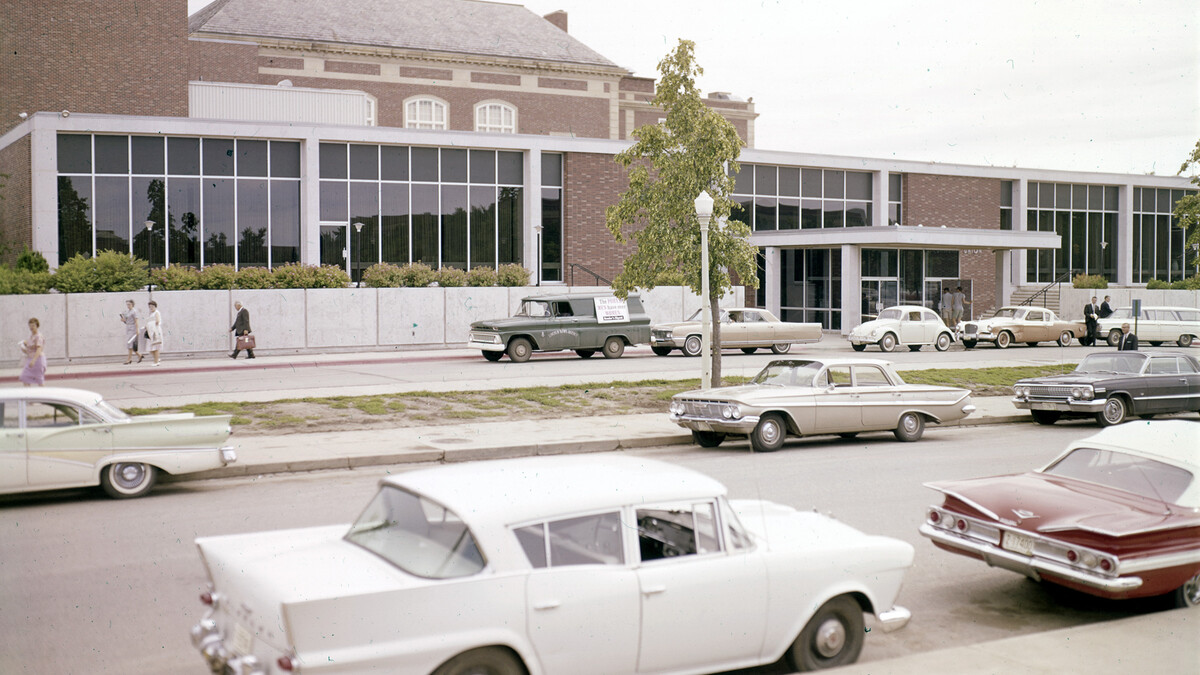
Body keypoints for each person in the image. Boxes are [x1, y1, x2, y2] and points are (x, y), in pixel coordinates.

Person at [18, 317, 46, 386]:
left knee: (39, 380)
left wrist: (34, 360)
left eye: (33, 325)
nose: (31, 327)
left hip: (38, 360)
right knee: (25, 378)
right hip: (30, 360)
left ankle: (45, 395)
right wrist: (23, 347)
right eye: (30, 326)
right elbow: (29, 350)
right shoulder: (31, 336)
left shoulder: (39, 336)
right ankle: (28, 395)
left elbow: (39, 349)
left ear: (37, 326)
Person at [119, 299, 141, 365]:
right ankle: (139, 355)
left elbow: (136, 320)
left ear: (132, 304)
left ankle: (129, 359)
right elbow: (127, 321)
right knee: (130, 344)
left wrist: (137, 329)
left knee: (130, 343)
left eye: (129, 304)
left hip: (133, 328)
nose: (128, 306)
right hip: (128, 327)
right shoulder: (128, 311)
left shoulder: (134, 311)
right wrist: (123, 320)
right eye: (127, 304)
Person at [145, 300, 163, 366]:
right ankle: (157, 358)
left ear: (155, 306)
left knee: (156, 347)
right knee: (151, 348)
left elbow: (157, 321)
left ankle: (156, 362)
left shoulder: (156, 312)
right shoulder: (151, 314)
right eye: (150, 307)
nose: (151, 308)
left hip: (156, 331)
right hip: (151, 331)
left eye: (152, 306)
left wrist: (151, 323)